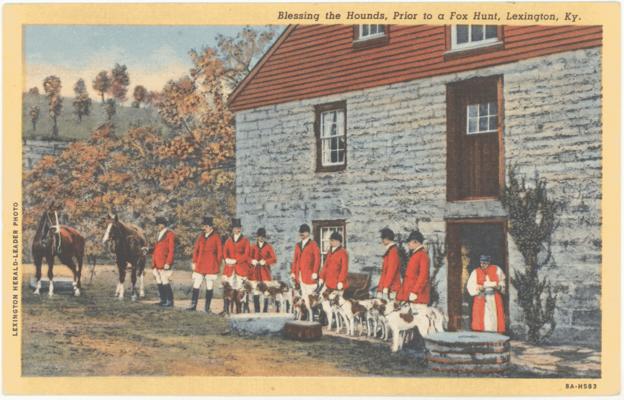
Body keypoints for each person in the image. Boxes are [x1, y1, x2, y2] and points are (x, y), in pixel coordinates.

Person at [187, 216, 222, 313]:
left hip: (211, 264)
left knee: (209, 285)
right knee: (196, 284)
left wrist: (217, 264)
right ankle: (193, 305)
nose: (204, 228)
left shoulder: (216, 237)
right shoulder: (201, 236)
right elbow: (196, 250)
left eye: (206, 226)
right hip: (200, 263)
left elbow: (219, 252)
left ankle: (207, 307)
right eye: (204, 226)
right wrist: (194, 261)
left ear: (211, 227)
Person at [466, 255, 506, 333]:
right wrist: (478, 288)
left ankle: (495, 334)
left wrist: (499, 287)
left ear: (489, 262)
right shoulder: (475, 272)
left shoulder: (497, 269)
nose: (483, 265)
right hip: (481, 297)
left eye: (485, 263)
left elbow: (502, 283)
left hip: (494, 297)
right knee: (482, 319)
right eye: (481, 263)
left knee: (494, 318)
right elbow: (470, 286)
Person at [290, 223, 320, 320]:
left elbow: (317, 259)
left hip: (310, 275)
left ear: (308, 233)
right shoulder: (298, 245)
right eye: (301, 232)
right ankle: (305, 315)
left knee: (312, 297)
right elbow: (295, 260)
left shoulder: (313, 244)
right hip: (300, 275)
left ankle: (316, 316)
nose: (302, 234)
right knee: (304, 296)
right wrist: (293, 272)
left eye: (304, 232)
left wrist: (315, 272)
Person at [222, 218, 250, 313]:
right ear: (232, 229)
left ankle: (238, 309)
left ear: (240, 228)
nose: (236, 230)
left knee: (239, 289)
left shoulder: (245, 240)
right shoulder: (229, 240)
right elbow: (224, 251)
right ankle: (226, 309)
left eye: (237, 228)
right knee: (228, 288)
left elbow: (246, 255)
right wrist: (226, 259)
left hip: (241, 267)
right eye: (234, 228)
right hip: (230, 268)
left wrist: (236, 261)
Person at [397, 231, 430, 308]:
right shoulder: (416, 254)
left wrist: (415, 292)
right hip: (409, 294)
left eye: (410, 242)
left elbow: (423, 276)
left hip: (417, 296)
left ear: (416, 242)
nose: (408, 244)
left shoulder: (422, 255)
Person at [249, 228, 277, 312]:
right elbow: (248, 257)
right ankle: (257, 310)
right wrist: (252, 260)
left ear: (265, 237)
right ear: (257, 237)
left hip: (265, 272)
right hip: (255, 272)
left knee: (266, 291)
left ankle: (265, 310)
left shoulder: (269, 247)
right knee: (256, 291)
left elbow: (274, 259)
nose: (261, 238)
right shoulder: (253, 247)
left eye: (263, 236)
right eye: (259, 236)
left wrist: (265, 261)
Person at [150, 216, 176, 308]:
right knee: (159, 280)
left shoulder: (170, 234)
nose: (158, 226)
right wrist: (148, 250)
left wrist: (168, 262)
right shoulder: (158, 234)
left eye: (159, 224)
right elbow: (156, 248)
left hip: (164, 262)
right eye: (157, 225)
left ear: (163, 224)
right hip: (156, 262)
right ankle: (163, 300)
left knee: (165, 280)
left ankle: (170, 301)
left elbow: (171, 250)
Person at [376, 228, 402, 300]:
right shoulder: (390, 251)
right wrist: (381, 288)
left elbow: (391, 272)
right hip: (389, 287)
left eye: (382, 238)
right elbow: (385, 272)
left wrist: (385, 287)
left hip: (392, 288)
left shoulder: (393, 251)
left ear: (387, 238)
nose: (382, 240)